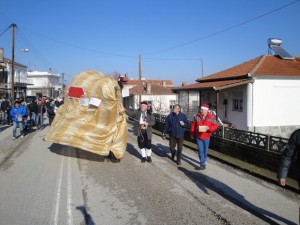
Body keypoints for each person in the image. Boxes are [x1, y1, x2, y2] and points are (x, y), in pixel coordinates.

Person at [190, 103, 218, 170]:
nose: (201, 110)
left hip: (206, 137)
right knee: (200, 150)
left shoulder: (212, 117)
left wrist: (209, 128)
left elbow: (216, 126)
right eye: (200, 109)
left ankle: (203, 160)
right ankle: (202, 164)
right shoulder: (197, 116)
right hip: (199, 136)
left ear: (206, 110)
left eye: (202, 109)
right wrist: (192, 133)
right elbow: (193, 125)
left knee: (205, 151)